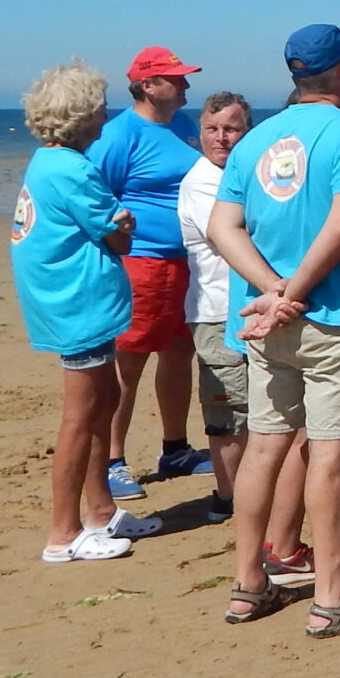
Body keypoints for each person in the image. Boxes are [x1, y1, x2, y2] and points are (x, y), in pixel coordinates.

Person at [201, 25, 340, 636]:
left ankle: (248, 583)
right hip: (333, 317)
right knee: (330, 456)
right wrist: (289, 293)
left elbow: (222, 227)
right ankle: (332, 596)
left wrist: (269, 290)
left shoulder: (256, 139)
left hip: (267, 324)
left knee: (266, 446)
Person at [8, 61, 148, 562]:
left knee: (104, 401)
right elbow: (112, 230)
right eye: (100, 109)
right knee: (80, 415)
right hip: (76, 304)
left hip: (72, 301)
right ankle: (63, 532)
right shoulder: (71, 168)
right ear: (83, 117)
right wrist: (122, 224)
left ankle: (101, 512)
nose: (106, 116)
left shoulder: (46, 162)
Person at [176, 90, 305, 537]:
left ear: (247, 131)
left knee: (264, 412)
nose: (221, 138)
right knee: (228, 415)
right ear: (199, 133)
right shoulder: (204, 181)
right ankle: (229, 497)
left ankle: (254, 497)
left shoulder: (239, 172)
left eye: (231, 128)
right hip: (216, 312)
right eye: (212, 129)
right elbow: (237, 233)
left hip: (251, 309)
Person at [90, 47, 208, 502]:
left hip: (188, 260)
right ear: (147, 85)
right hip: (143, 262)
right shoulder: (119, 135)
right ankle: (113, 459)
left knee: (180, 352)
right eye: (176, 79)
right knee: (129, 360)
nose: (185, 86)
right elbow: (99, 198)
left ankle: (175, 448)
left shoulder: (181, 126)